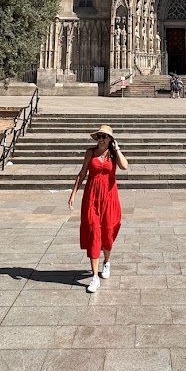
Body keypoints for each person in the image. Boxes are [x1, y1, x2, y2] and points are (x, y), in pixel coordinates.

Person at [68, 124, 128, 294]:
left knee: (108, 232)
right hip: (92, 198)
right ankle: (94, 277)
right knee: (94, 232)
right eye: (99, 137)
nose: (101, 140)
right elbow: (82, 174)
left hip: (109, 198)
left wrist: (117, 150)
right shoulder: (90, 153)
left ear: (110, 140)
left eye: (104, 137)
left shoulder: (113, 154)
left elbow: (124, 166)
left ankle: (107, 262)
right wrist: (73, 194)